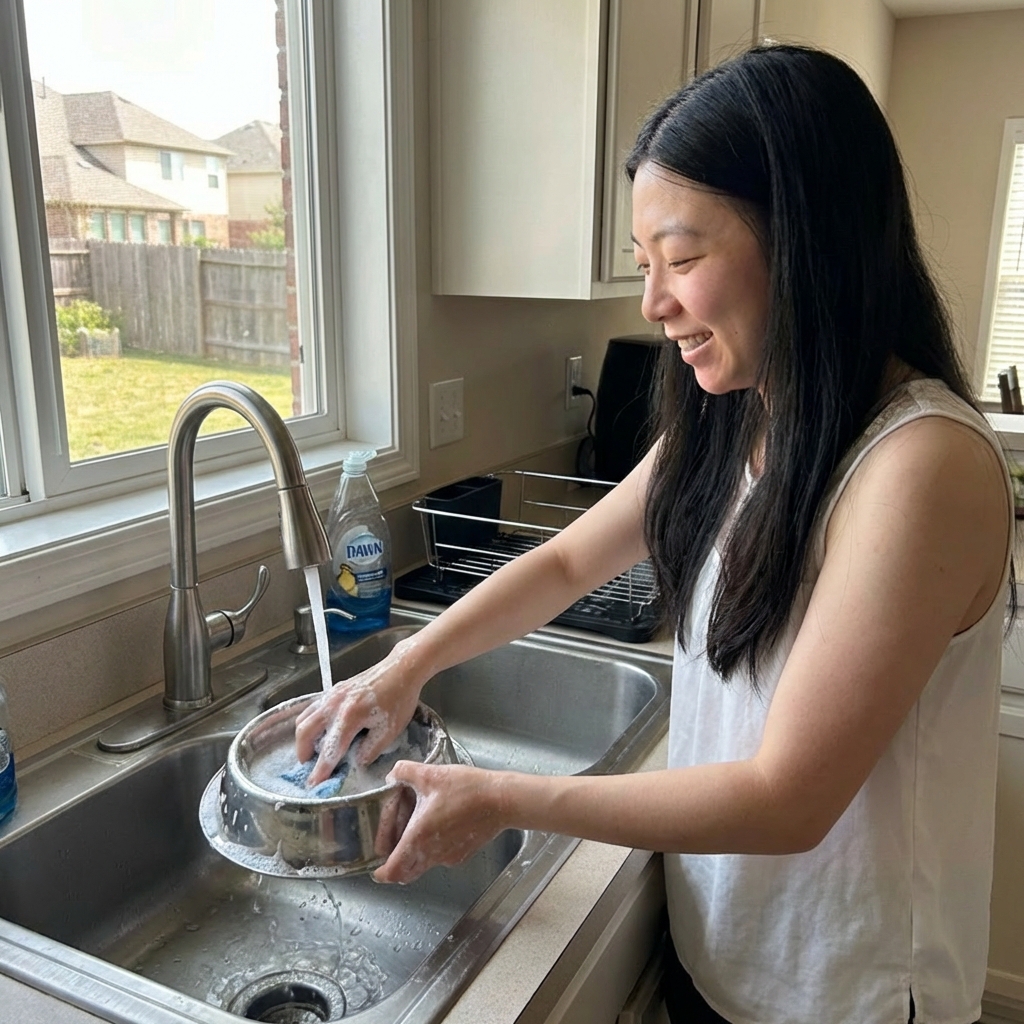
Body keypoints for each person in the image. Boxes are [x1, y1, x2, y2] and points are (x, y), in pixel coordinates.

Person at [295, 45, 1013, 1024]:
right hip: (721, 946)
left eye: (682, 258)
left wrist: (500, 795)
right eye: (645, 264)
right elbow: (560, 561)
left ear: (808, 240)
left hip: (847, 992)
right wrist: (402, 667)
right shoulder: (739, 416)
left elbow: (787, 796)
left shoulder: (918, 466)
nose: (651, 302)